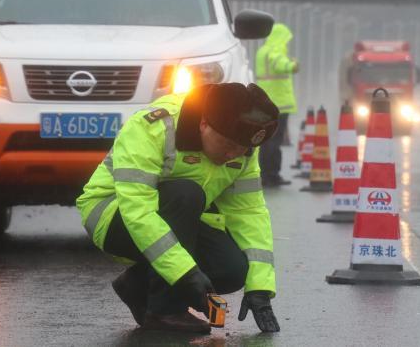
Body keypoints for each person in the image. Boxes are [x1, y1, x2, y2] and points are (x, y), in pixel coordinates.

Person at [76, 83, 281, 334]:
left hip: (177, 219)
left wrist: (260, 287)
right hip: (112, 215)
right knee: (186, 193)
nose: (233, 154)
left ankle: (137, 285)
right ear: (204, 123)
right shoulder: (154, 126)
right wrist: (185, 274)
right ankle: (164, 311)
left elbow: (248, 213)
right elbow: (138, 211)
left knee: (232, 270)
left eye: (242, 149)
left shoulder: (242, 146)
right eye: (228, 145)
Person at [255, 23, 300, 187]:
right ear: (280, 38)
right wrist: (293, 65)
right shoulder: (275, 51)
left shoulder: (262, 51)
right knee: (275, 141)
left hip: (265, 102)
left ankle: (264, 174)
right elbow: (279, 63)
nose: (286, 43)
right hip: (279, 104)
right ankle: (272, 175)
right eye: (286, 40)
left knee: (265, 140)